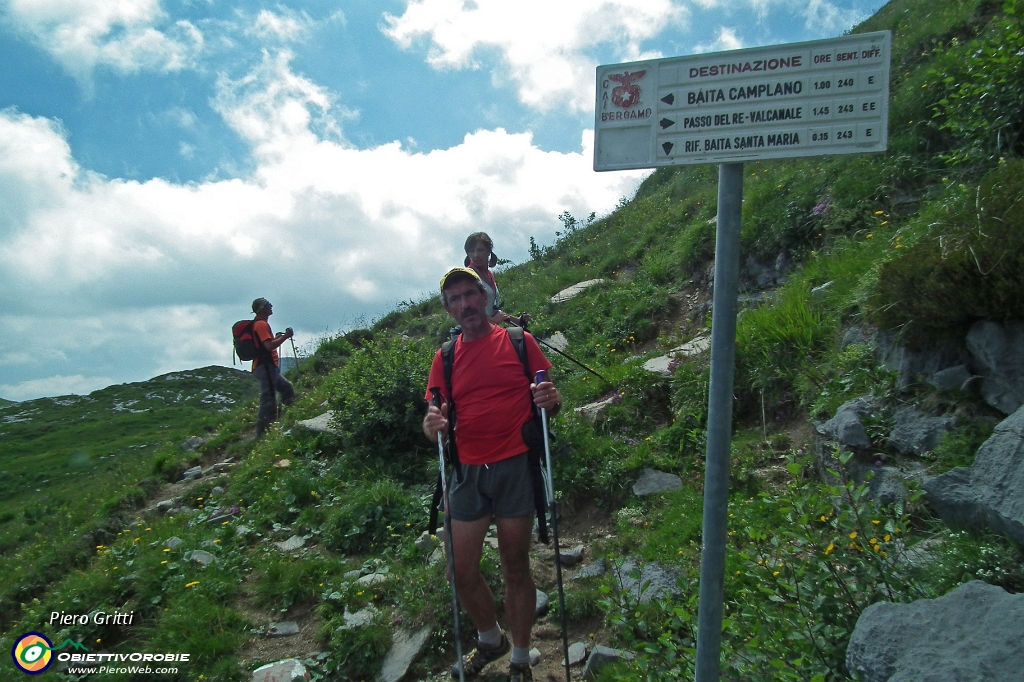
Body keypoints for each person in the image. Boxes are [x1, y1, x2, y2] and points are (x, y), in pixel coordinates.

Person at [422, 267, 561, 682]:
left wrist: (552, 400)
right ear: (449, 309)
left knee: (514, 565)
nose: (465, 305)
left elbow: (548, 401)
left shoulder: (520, 342)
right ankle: (489, 639)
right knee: (460, 571)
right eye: (456, 300)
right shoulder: (444, 358)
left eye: (470, 294)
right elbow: (434, 414)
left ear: (485, 298)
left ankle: (520, 659)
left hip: (516, 465)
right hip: (467, 471)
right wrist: (431, 427)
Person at [250, 297, 295, 438]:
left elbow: (267, 343)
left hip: (265, 367)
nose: (271, 306)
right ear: (263, 309)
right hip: (266, 367)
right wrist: (286, 336)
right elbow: (269, 346)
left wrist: (277, 338)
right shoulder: (261, 324)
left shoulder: (259, 324)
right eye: (268, 305)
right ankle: (262, 434)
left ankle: (279, 419)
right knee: (268, 400)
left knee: (286, 388)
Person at [463, 232, 529, 327]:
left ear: (488, 251)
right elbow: (470, 310)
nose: (476, 255)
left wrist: (518, 321)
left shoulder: (488, 274)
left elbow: (492, 309)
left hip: (488, 329)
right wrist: (493, 320)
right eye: (472, 251)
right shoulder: (468, 276)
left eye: (480, 250)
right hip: (476, 331)